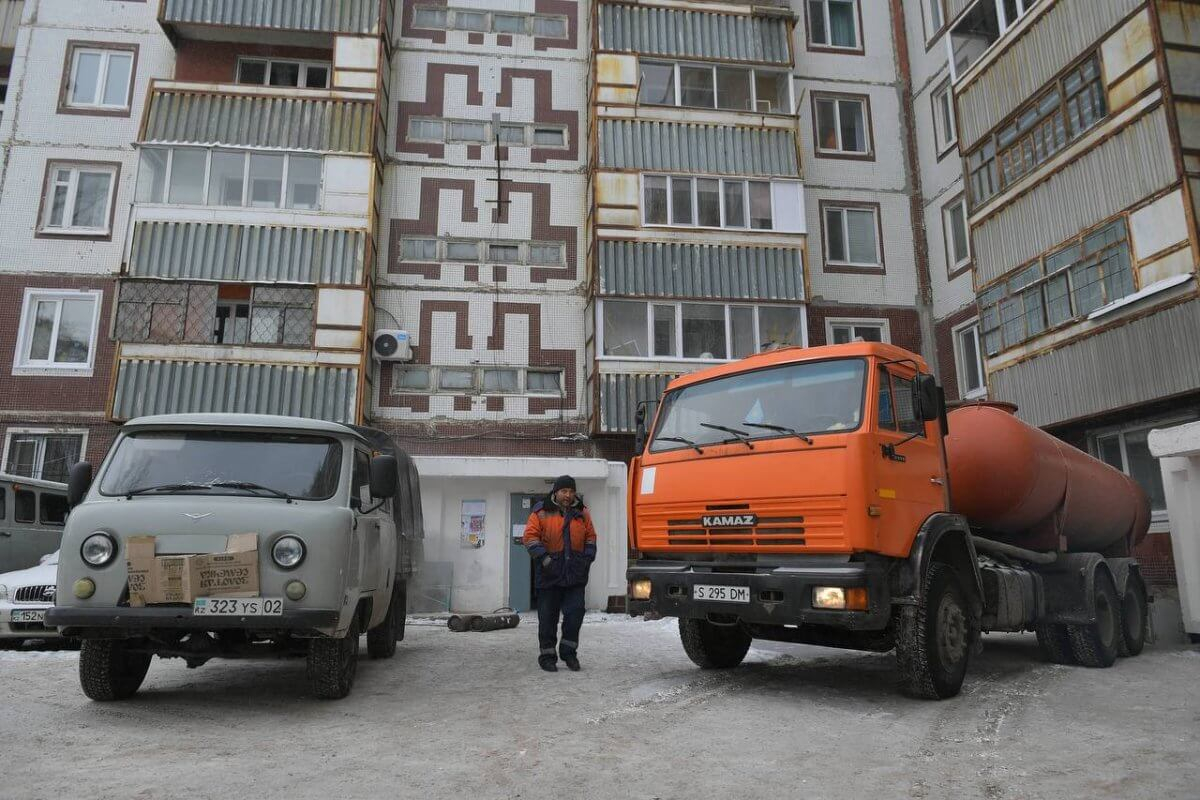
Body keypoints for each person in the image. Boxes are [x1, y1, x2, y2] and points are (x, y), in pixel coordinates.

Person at [523, 475, 597, 672]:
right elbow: (530, 538)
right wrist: (545, 560)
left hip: (575, 575)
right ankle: (547, 656)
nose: (568, 495)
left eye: (571, 491)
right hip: (549, 574)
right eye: (564, 491)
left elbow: (590, 537)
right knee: (548, 618)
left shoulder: (583, 512)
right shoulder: (540, 511)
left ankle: (568, 652)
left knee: (575, 615)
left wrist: (587, 558)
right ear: (555, 492)